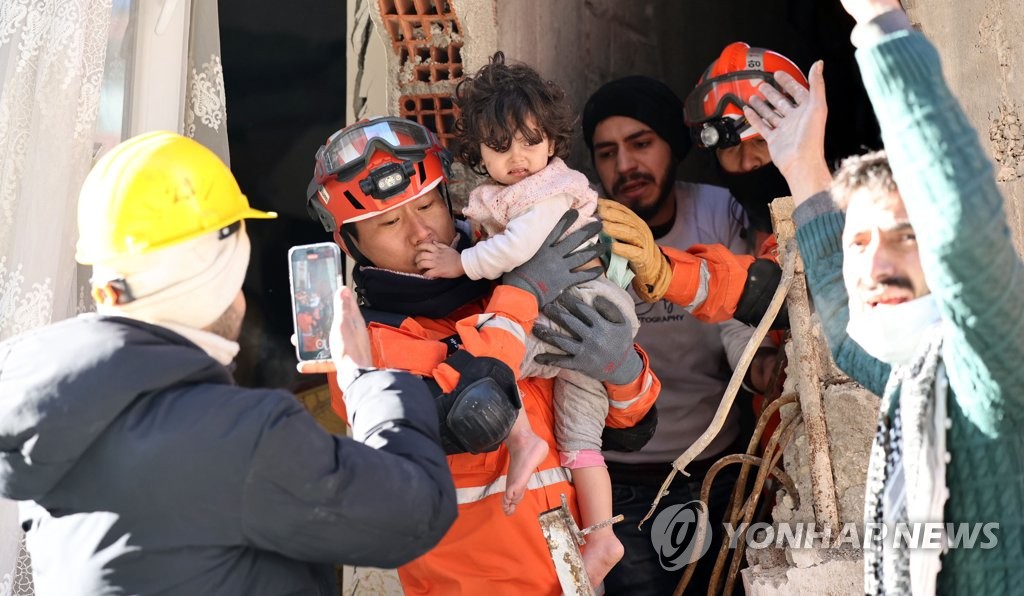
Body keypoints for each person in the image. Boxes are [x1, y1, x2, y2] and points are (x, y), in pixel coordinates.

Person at [0, 132, 458, 595]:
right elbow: (416, 511)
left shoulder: (50, 420)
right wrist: (364, 377)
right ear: (212, 274)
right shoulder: (242, 438)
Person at [305, 116, 661, 595]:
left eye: (428, 204)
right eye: (389, 222)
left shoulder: (500, 276)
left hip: (575, 575)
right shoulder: (367, 345)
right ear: (347, 243)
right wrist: (522, 292)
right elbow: (479, 413)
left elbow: (631, 429)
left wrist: (623, 369)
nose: (420, 232)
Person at [743, 0, 1024, 592]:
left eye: (907, 236)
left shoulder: (991, 362)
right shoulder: (915, 375)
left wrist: (879, 23)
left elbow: (964, 219)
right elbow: (846, 337)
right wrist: (801, 167)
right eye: (860, 240)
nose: (874, 262)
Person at [415, 52, 636, 585]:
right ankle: (603, 535)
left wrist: (458, 262)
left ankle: (519, 438)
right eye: (500, 145)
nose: (519, 157)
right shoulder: (521, 190)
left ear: (554, 142)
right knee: (581, 442)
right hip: (589, 325)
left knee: (489, 363)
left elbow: (517, 250)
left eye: (531, 141)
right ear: (477, 151)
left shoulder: (544, 193)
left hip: (578, 312)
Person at [582, 75, 779, 595]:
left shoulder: (719, 211)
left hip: (719, 471)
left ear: (674, 146)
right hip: (621, 486)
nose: (625, 166)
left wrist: (757, 366)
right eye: (607, 153)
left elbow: (738, 322)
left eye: (641, 144)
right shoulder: (581, 232)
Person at [684, 42, 810, 251]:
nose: (747, 162)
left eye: (761, 141)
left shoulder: (857, 208)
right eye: (730, 148)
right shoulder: (729, 228)